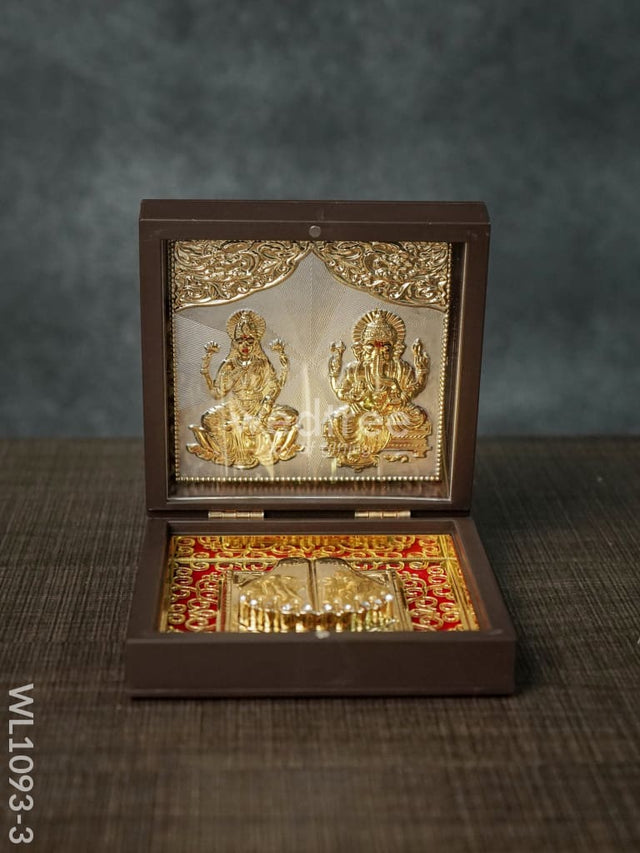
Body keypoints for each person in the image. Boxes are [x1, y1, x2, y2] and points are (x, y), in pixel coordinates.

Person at [187, 310, 302, 469]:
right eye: (240, 341)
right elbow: (217, 393)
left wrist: (262, 414)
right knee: (209, 419)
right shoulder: (230, 365)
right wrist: (206, 368)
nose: (245, 346)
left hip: (259, 407)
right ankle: (235, 448)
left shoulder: (262, 363)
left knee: (290, 416)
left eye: (249, 341)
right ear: (234, 343)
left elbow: (273, 388)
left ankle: (243, 430)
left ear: (256, 342)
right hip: (235, 408)